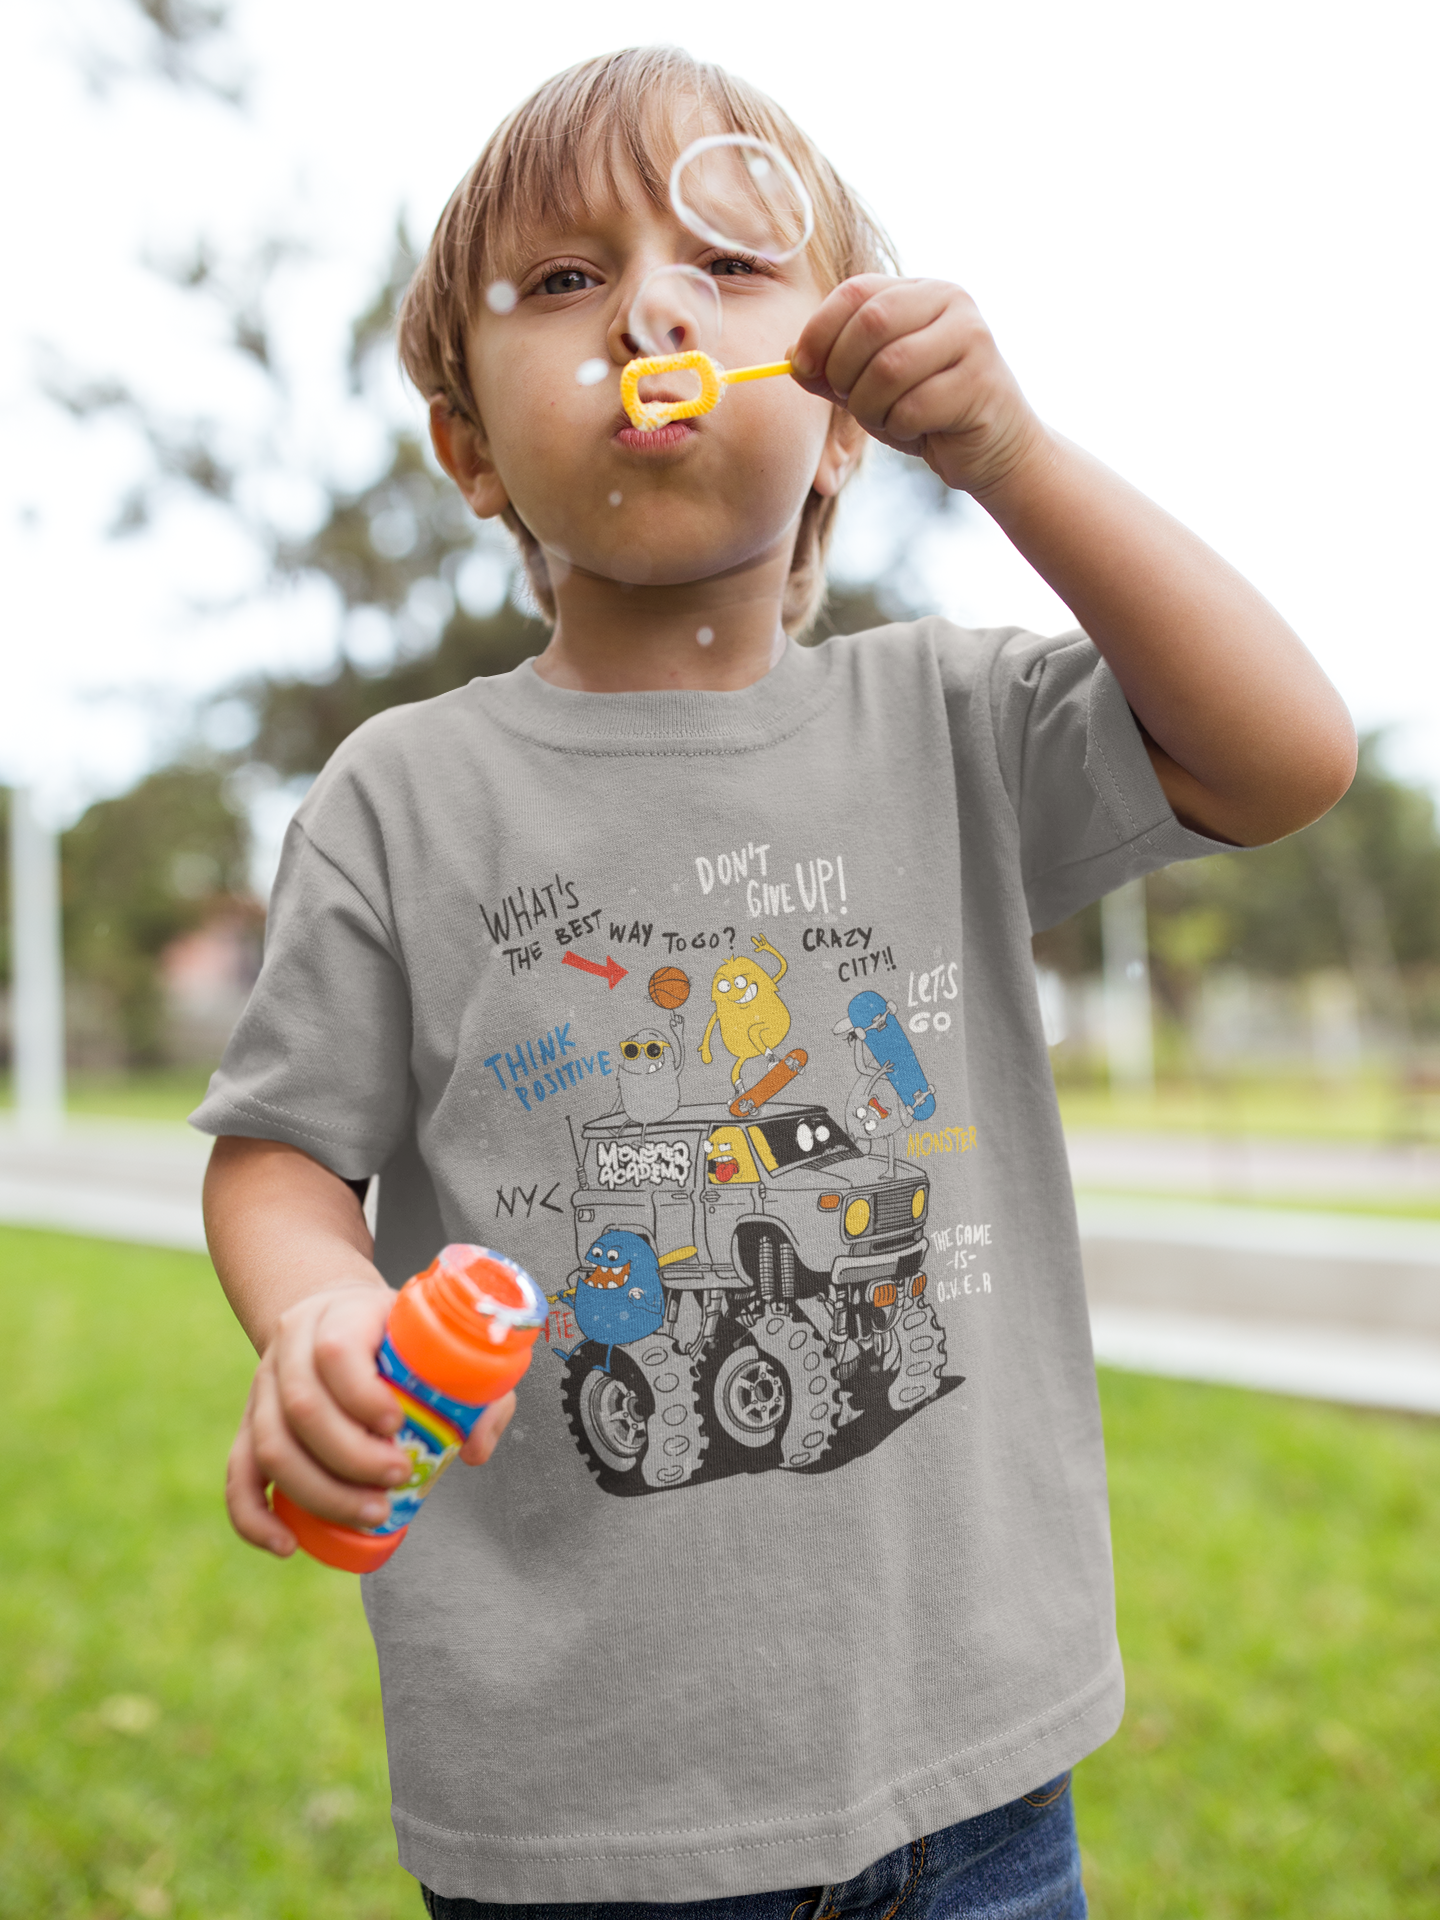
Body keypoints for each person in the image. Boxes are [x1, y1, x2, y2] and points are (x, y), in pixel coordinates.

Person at [195, 46, 1355, 1920]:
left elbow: (1283, 756)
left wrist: (1018, 458)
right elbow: (279, 1153)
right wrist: (320, 1315)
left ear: (836, 413)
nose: (651, 304)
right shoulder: (403, 798)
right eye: (565, 282)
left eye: (728, 266)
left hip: (979, 1780)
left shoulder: (953, 722)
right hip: (581, 1818)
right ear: (470, 446)